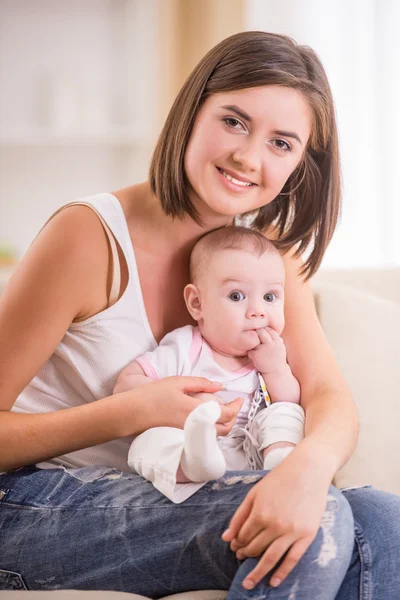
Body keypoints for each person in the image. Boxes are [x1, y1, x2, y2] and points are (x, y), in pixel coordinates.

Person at [0, 30, 400, 600]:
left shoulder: (265, 261)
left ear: (299, 167)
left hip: (160, 493)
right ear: (192, 111)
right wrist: (128, 413)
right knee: (324, 522)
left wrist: (306, 468)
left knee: (385, 522)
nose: (247, 156)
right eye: (234, 121)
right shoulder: (88, 237)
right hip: (29, 504)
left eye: (281, 143)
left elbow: (330, 398)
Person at [115, 226, 305, 503]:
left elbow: (289, 400)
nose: (258, 311)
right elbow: (125, 385)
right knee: (147, 443)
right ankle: (193, 464)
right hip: (189, 445)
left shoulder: (269, 355)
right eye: (236, 296)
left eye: (270, 297)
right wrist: (173, 396)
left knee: (285, 411)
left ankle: (281, 459)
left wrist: (275, 369)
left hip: (253, 453)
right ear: (197, 303)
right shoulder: (186, 346)